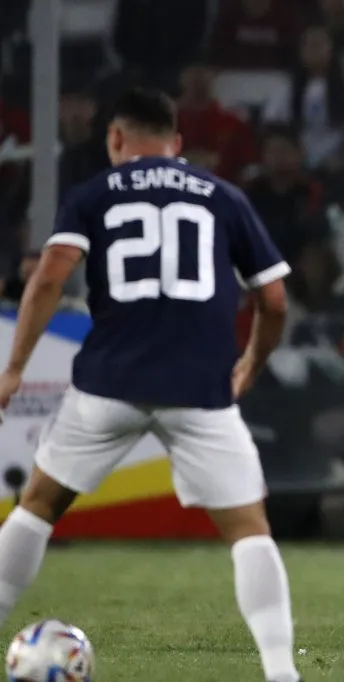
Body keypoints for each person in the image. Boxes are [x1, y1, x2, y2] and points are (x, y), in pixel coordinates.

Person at [0, 88, 303, 682]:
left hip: (109, 384)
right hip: (202, 388)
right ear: (176, 143)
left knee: (37, 507)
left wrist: (14, 368)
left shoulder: (92, 195)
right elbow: (272, 297)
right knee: (248, 530)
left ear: (116, 138)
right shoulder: (224, 196)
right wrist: (251, 364)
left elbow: (48, 281)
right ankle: (281, 673)